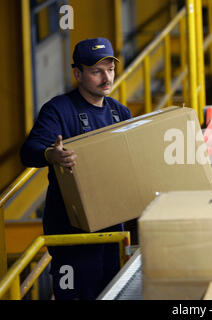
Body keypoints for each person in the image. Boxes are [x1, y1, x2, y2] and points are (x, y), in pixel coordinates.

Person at [20, 38, 132, 300]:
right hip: (71, 235)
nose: (106, 78)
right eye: (96, 71)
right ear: (77, 74)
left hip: (112, 231)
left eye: (110, 69)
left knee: (112, 294)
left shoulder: (120, 113)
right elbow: (28, 151)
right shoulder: (59, 110)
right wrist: (52, 154)